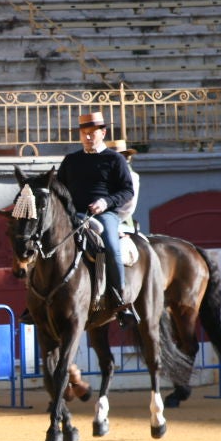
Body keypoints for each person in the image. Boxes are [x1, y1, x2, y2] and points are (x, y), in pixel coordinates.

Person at [55, 112, 137, 327]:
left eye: (92, 133)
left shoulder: (115, 159)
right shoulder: (71, 160)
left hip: (104, 214)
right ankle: (39, 298)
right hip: (74, 215)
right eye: (84, 133)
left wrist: (105, 203)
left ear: (103, 132)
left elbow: (127, 191)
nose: (88, 137)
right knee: (50, 242)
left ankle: (120, 301)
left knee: (110, 246)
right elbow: (60, 188)